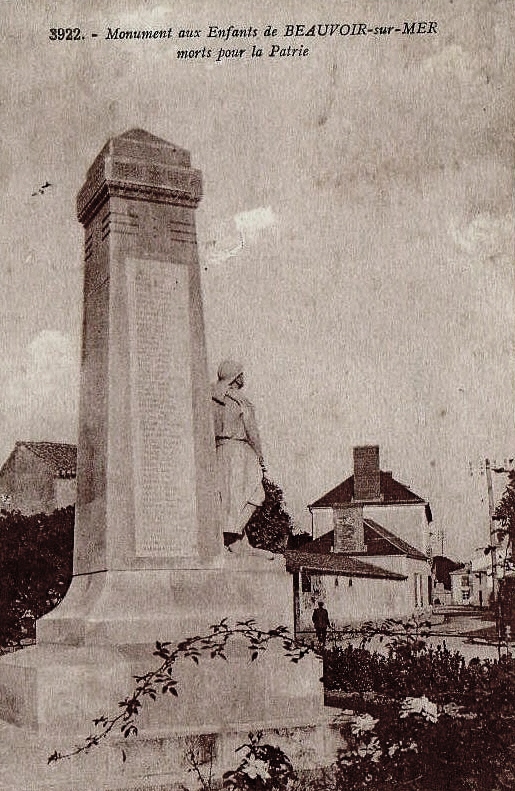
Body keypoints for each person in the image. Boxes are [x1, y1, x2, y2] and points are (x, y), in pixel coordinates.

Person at [212, 360, 268, 552]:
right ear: (235, 377)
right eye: (241, 374)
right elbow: (251, 430)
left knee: (227, 498)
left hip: (219, 451)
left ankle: (238, 539)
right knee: (256, 495)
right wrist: (259, 454)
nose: (244, 377)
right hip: (238, 452)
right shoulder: (240, 400)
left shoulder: (212, 397)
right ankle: (232, 535)